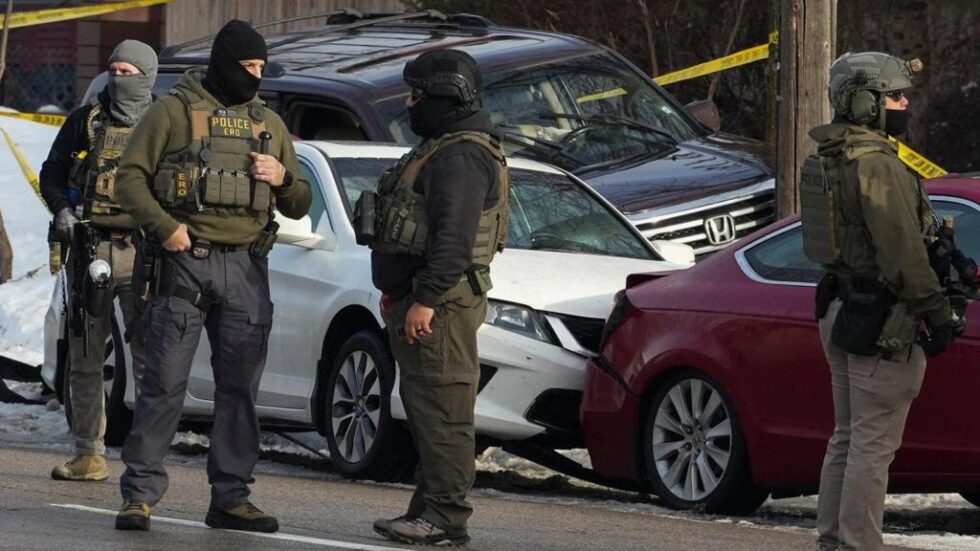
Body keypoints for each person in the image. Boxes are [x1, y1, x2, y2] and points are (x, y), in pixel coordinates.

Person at [111, 20, 310, 533]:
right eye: (248, 66)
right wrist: (166, 228)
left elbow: (299, 202)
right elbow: (129, 179)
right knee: (164, 384)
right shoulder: (172, 112)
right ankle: (139, 496)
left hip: (247, 266)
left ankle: (231, 499)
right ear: (224, 64)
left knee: (239, 389)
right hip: (184, 262)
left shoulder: (269, 124)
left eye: (262, 67)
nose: (256, 76)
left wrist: (283, 177)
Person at [800, 51, 955, 551]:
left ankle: (834, 541)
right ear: (866, 103)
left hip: (840, 307)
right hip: (879, 320)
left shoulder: (831, 155)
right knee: (871, 446)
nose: (905, 103)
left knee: (848, 438)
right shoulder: (877, 166)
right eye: (895, 96)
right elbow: (903, 255)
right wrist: (939, 313)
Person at [361, 49, 509, 546]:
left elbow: (453, 241)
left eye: (418, 94)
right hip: (427, 300)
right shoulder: (445, 147)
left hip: (441, 305)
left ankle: (444, 517)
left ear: (446, 96)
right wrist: (402, 294)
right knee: (428, 409)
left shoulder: (461, 156)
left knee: (444, 413)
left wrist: (423, 298)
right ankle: (427, 509)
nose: (410, 104)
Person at [39, 39, 157, 482]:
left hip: (144, 252)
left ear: (147, 76)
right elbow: (52, 171)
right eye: (115, 71)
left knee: (149, 355)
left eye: (129, 73)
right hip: (90, 249)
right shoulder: (85, 121)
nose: (119, 79)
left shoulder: (163, 122)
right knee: (87, 354)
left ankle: (148, 457)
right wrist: (63, 211)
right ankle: (88, 454)